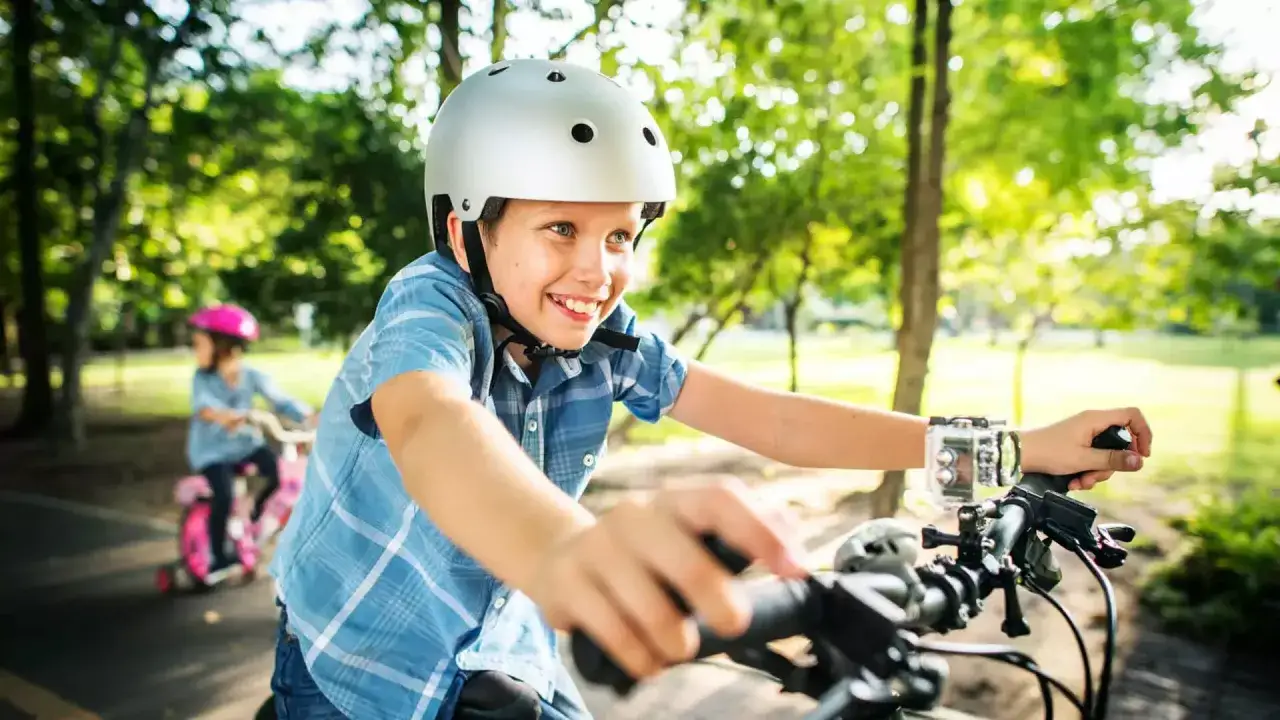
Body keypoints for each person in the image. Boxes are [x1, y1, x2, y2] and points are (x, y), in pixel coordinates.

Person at [266, 58, 1154, 720]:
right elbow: (429, 422)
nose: (598, 268)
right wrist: (571, 554)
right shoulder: (429, 304)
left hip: (501, 650)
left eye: (621, 236)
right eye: (561, 227)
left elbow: (774, 420)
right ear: (466, 233)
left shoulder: (605, 339)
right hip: (351, 662)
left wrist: (1020, 447)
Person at [187, 304, 313, 582]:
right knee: (224, 495)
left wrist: (309, 415)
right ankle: (219, 558)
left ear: (222, 345)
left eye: (199, 344)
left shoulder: (252, 375)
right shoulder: (202, 379)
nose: (195, 350)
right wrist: (225, 416)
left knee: (277, 473)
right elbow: (204, 407)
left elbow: (280, 399)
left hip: (244, 444)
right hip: (212, 451)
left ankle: (256, 514)